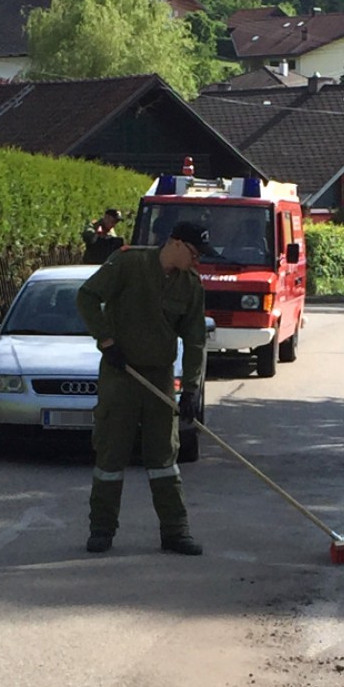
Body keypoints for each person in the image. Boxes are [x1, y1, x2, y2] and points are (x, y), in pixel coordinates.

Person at [76, 221, 212, 556]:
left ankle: (175, 532)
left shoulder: (191, 285)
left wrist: (192, 388)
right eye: (193, 253)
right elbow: (87, 297)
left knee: (164, 456)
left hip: (159, 378)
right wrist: (106, 340)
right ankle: (102, 530)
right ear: (176, 243)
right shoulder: (129, 263)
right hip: (121, 374)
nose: (196, 261)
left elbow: (195, 341)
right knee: (111, 453)